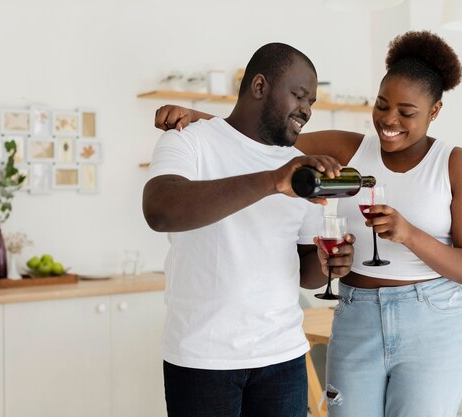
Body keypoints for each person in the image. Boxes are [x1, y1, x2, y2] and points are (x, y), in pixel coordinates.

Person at [154, 31, 462, 417]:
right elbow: (264, 137)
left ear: (434, 111)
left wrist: (409, 235)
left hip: (431, 319)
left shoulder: (457, 165)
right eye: (382, 106)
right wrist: (200, 119)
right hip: (356, 314)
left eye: (406, 112)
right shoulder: (347, 148)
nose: (389, 121)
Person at [143, 42, 356, 417]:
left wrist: (327, 262)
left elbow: (305, 270)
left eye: (312, 101)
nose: (307, 109)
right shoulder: (188, 139)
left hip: (283, 356)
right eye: (299, 95)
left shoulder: (296, 165)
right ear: (259, 87)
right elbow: (160, 211)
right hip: (203, 359)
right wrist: (272, 181)